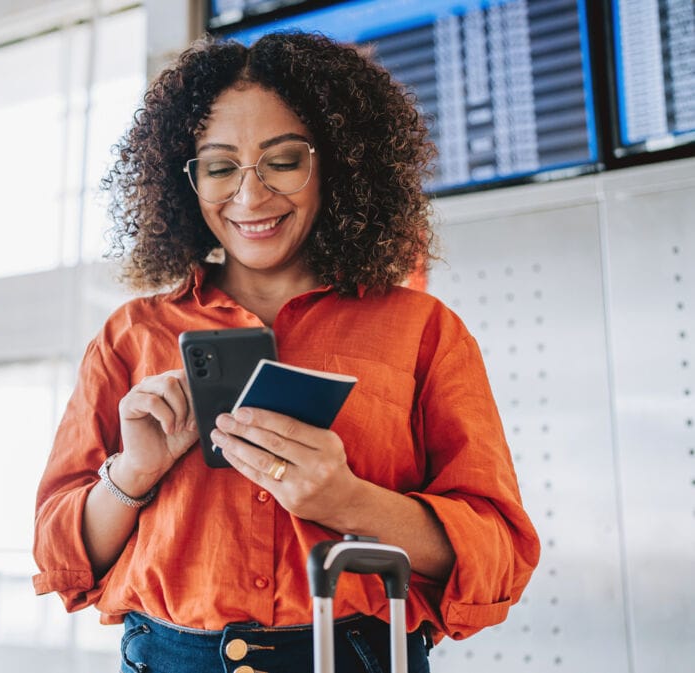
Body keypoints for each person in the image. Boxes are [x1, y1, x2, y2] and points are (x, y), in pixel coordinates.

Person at [33, 31, 540, 672]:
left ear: (337, 162)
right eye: (220, 167)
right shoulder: (129, 335)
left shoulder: (423, 330)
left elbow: (499, 551)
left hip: (354, 653)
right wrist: (133, 474)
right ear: (185, 182)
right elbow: (60, 553)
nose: (250, 197)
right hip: (169, 657)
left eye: (283, 161)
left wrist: (348, 502)